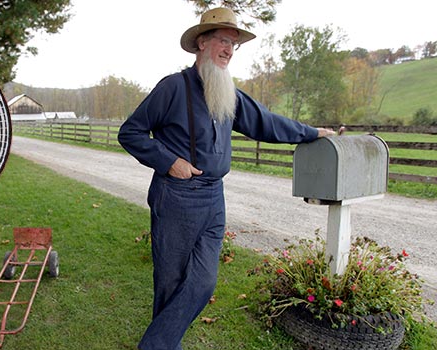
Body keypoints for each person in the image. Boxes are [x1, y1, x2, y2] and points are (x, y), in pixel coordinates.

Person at [118, 7, 335, 350]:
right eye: (223, 40)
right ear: (202, 42)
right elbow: (130, 133)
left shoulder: (227, 92)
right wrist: (169, 161)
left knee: (203, 282)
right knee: (171, 282)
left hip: (213, 198)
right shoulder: (172, 87)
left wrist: (311, 133)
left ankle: (155, 345)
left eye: (234, 44)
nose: (229, 50)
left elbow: (266, 122)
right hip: (177, 195)